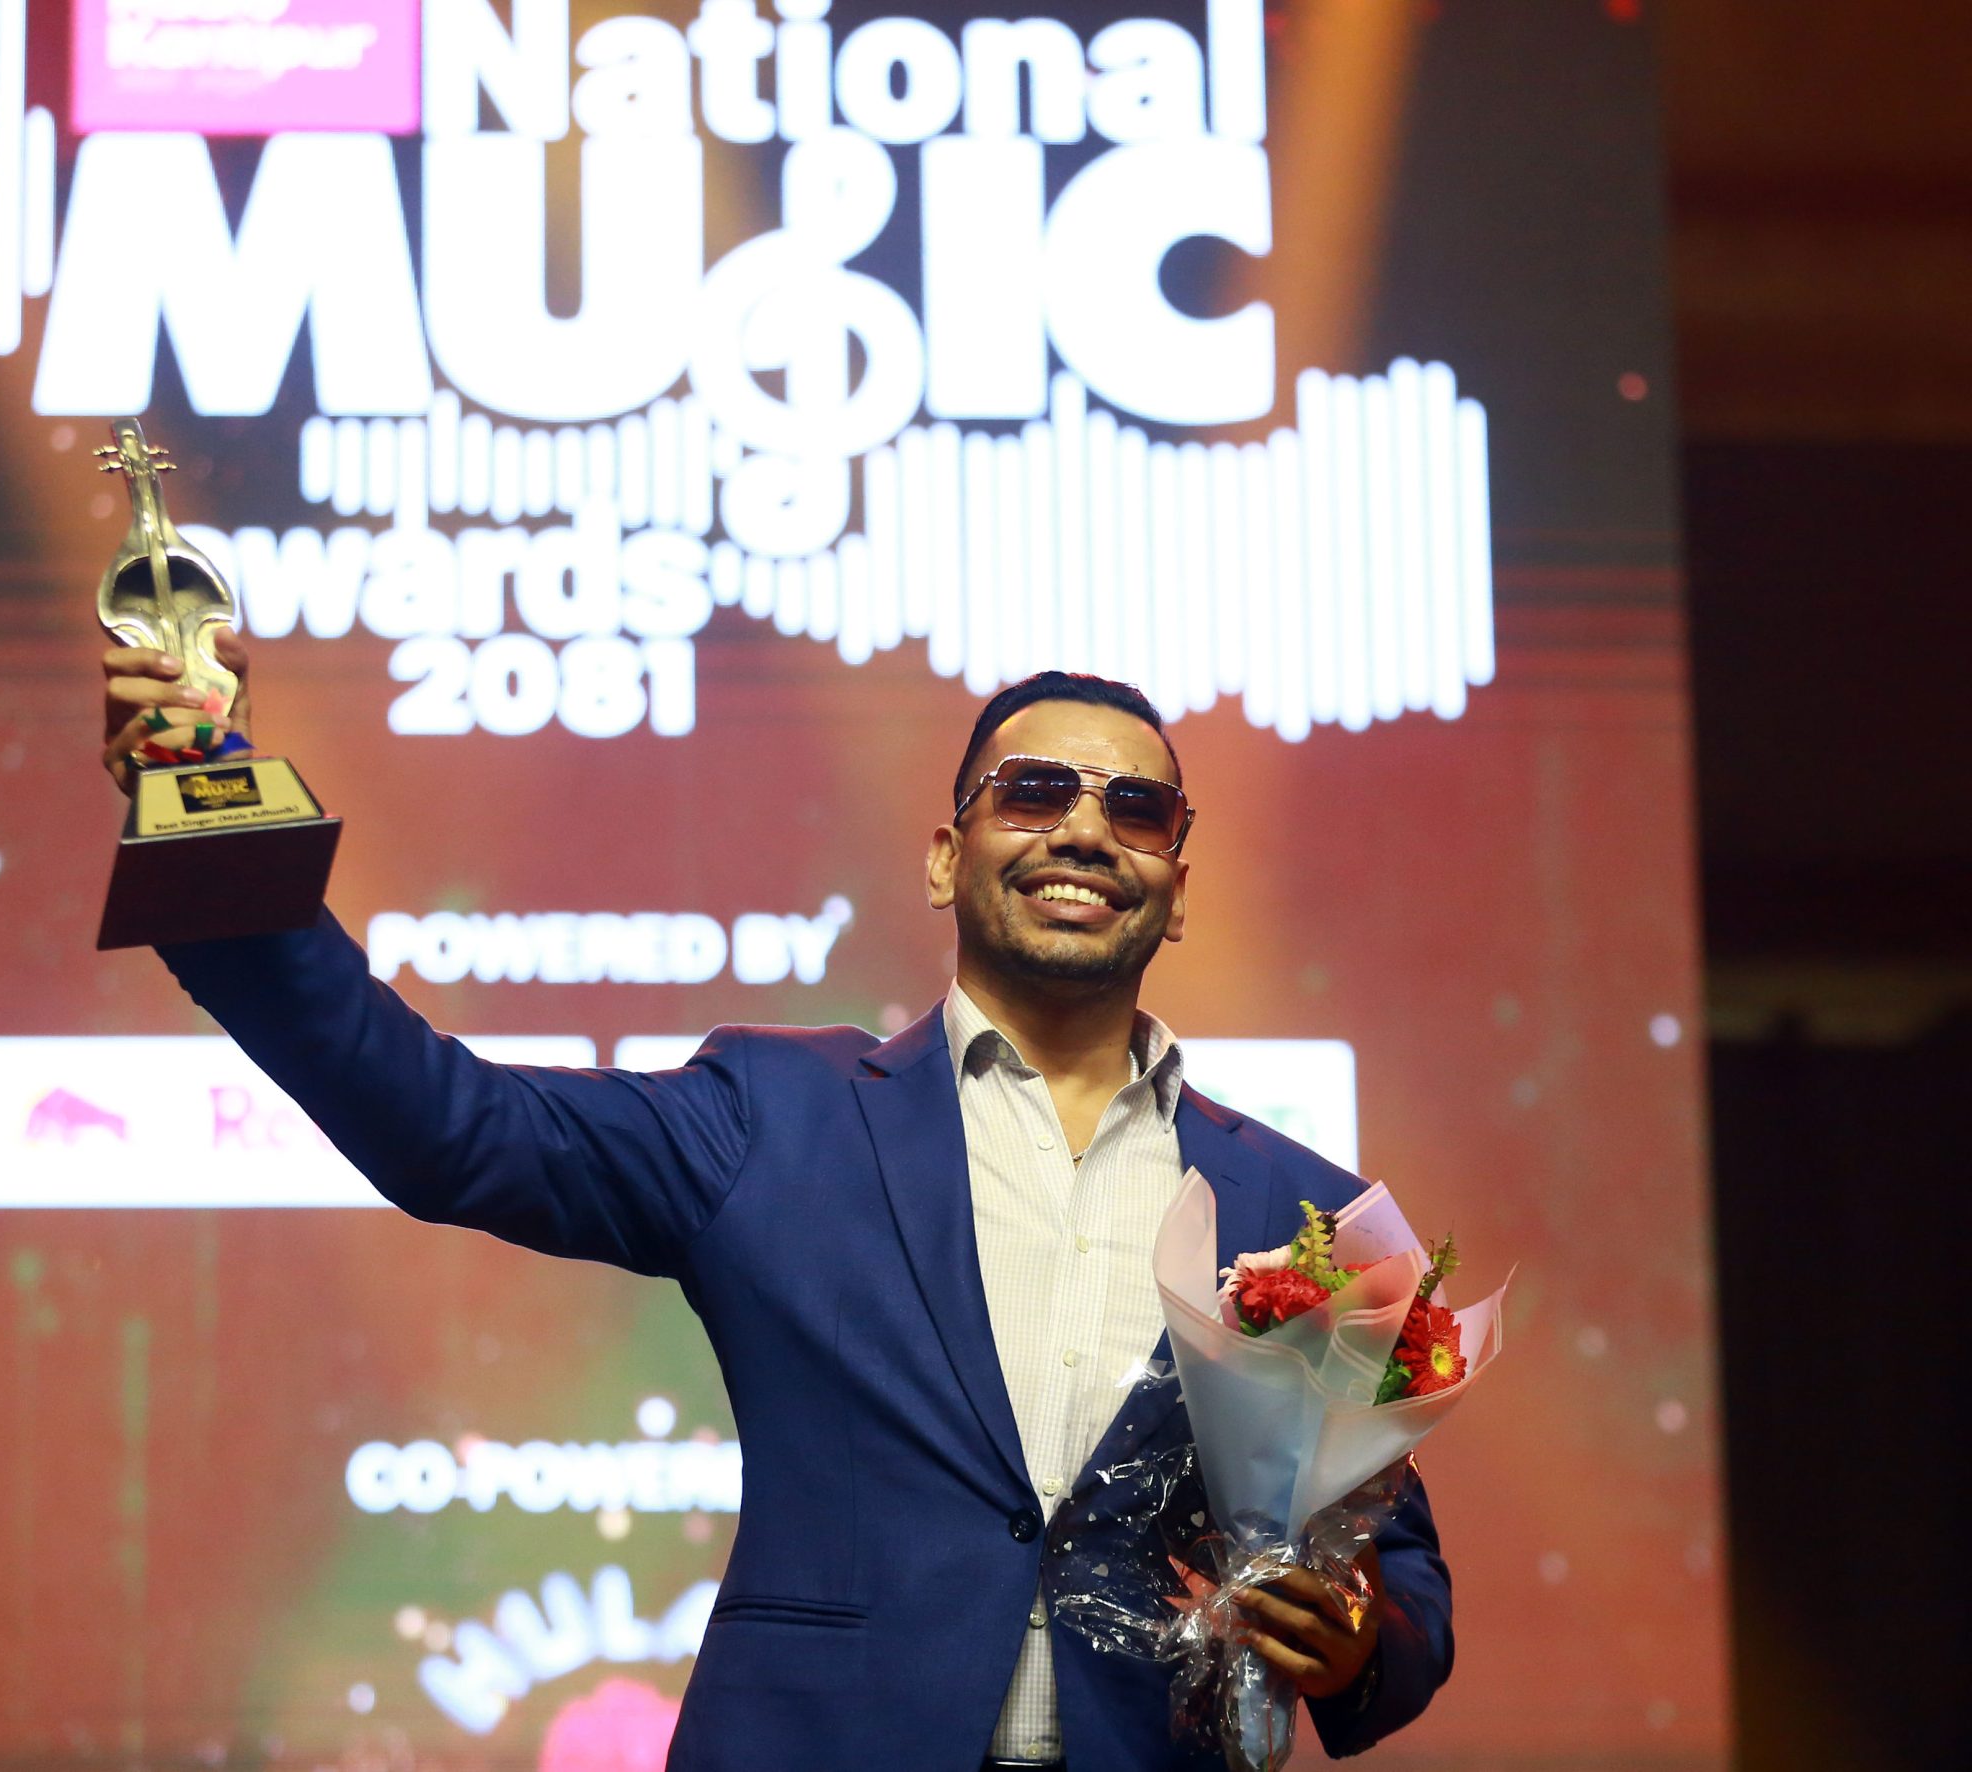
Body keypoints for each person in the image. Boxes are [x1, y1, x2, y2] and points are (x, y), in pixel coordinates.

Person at [102, 638, 1452, 1771]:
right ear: (947, 857)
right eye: (1034, 793)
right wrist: (208, 813)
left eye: (1138, 811)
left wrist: (1357, 1642)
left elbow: (1401, 1587)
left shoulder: (1306, 1211)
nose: (1087, 831)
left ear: (1178, 888)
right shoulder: (777, 1114)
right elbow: (445, 1126)